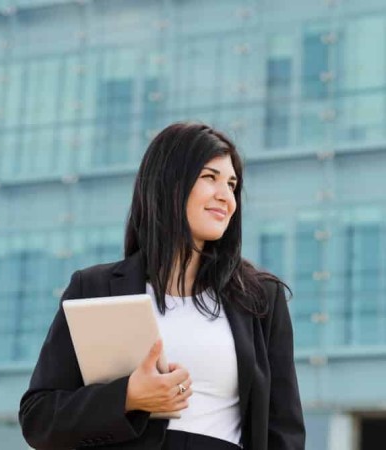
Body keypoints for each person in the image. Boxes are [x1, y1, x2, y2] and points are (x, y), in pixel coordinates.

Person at [18, 122, 306, 450]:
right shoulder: (94, 287)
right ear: (170, 185)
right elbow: (39, 419)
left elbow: (284, 432)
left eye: (232, 184)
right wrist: (128, 396)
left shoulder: (260, 298)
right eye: (209, 178)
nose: (226, 197)